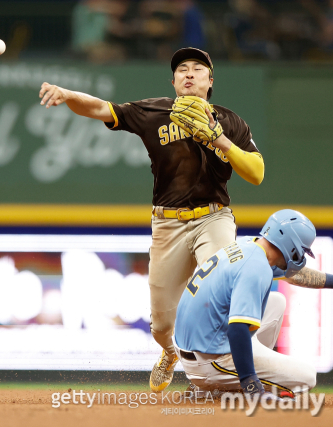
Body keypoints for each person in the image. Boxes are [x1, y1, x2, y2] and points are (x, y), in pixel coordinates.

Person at [38, 47, 265, 392]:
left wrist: (217, 138)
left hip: (213, 219)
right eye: (182, 69)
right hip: (168, 225)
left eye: (198, 69)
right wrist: (68, 95)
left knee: (218, 294)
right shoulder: (154, 112)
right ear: (173, 81)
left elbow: (257, 172)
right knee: (160, 323)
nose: (189, 73)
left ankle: (214, 377)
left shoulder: (229, 121)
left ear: (210, 81)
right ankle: (170, 353)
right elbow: (102, 108)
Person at [173, 209, 333, 397]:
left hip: (195, 346)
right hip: (211, 360)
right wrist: (250, 383)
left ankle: (219, 380)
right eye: (301, 249)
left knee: (276, 301)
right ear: (291, 246)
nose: (301, 256)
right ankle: (219, 386)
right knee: (307, 378)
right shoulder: (256, 268)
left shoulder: (249, 246)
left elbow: (297, 276)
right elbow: (237, 330)